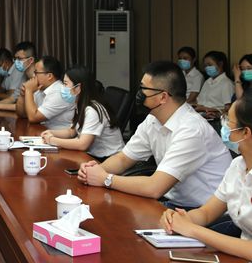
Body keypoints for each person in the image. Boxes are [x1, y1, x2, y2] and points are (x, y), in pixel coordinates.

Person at [78, 61, 232, 209]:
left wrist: (106, 179)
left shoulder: (191, 130)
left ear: (163, 97)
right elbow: (123, 159)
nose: (139, 93)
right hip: (175, 203)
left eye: (143, 88)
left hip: (205, 212)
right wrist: (93, 171)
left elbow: (155, 187)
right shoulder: (153, 119)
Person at [159, 92, 252, 261]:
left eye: (228, 122)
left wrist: (193, 230)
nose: (224, 127)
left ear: (245, 132)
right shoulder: (237, 165)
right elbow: (207, 212)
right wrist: (182, 219)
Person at [40, 66, 124, 159]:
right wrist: (51, 132)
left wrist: (52, 140)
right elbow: (71, 132)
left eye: (65, 84)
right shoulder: (79, 104)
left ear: (78, 88)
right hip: (93, 156)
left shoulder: (93, 110)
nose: (62, 88)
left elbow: (83, 144)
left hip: (110, 159)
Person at [15, 56, 75, 129]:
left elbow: (33, 118)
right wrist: (23, 95)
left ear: (49, 76)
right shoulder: (39, 89)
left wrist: (29, 91)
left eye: (36, 72)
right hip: (43, 131)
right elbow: (22, 114)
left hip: (59, 135)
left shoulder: (60, 93)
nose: (33, 76)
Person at [0, 42, 36, 111]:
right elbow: (12, 98)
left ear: (30, 60)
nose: (16, 62)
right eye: (15, 58)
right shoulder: (26, 79)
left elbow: (31, 108)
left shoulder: (40, 78)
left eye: (19, 58)